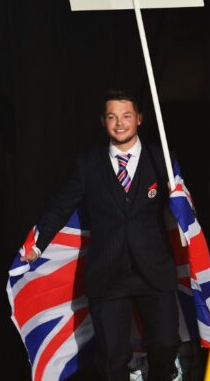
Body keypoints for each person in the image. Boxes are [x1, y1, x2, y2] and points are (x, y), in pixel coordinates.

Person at [22, 90, 179, 381]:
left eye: (127, 116)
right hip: (108, 274)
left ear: (139, 119)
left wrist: (182, 199)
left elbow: (183, 206)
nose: (120, 123)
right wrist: (38, 243)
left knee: (166, 345)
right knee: (112, 360)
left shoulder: (162, 159)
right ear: (103, 121)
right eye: (112, 117)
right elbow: (61, 205)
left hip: (154, 270)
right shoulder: (88, 163)